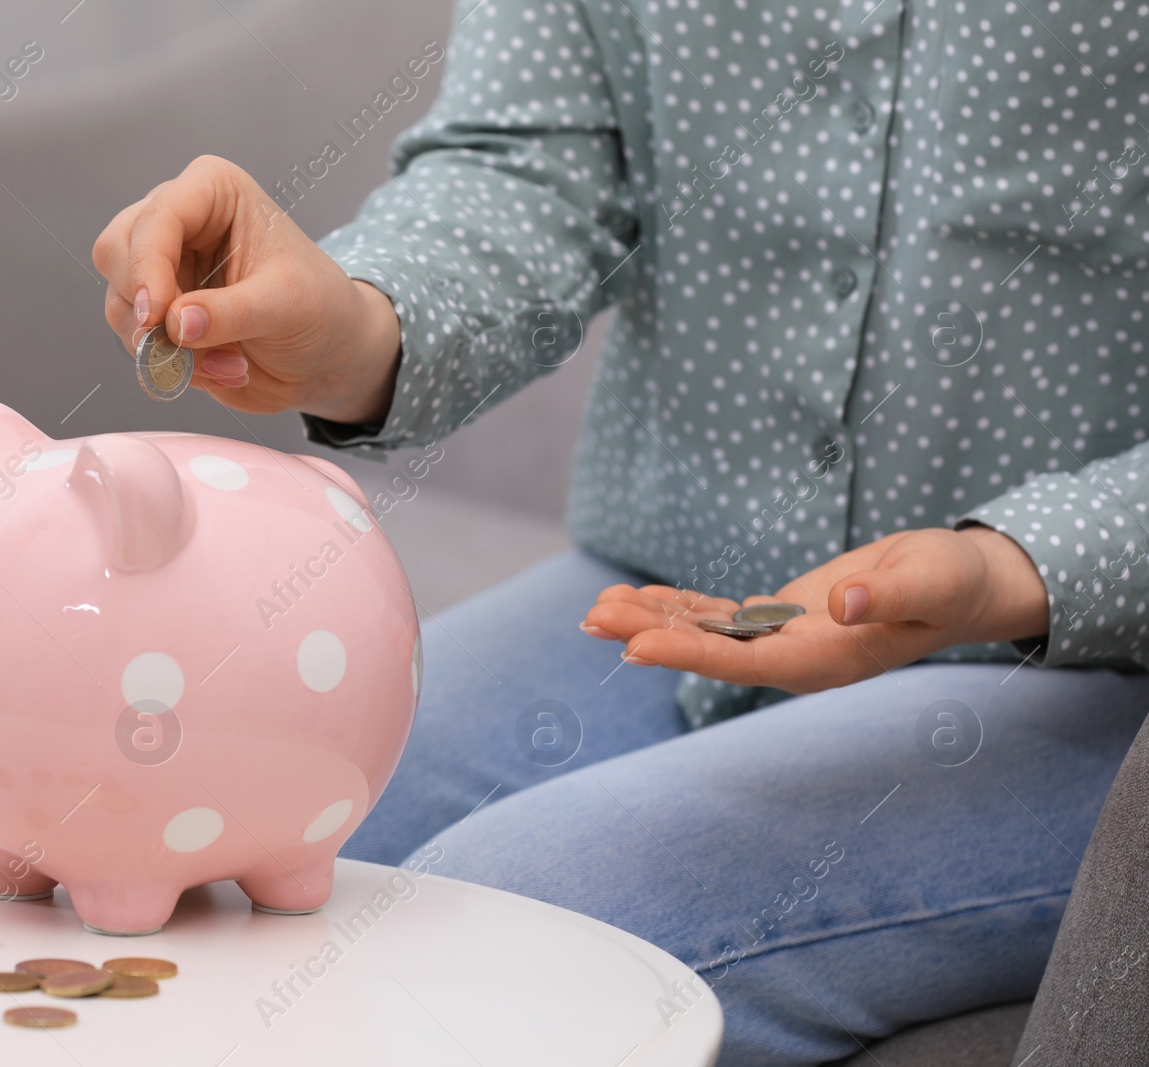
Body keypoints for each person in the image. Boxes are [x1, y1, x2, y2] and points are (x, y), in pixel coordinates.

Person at [92, 1, 1149, 1062]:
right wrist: (360, 322)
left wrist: (1013, 564)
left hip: (1090, 661)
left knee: (516, 924)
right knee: (206, 792)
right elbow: (527, 169)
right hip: (664, 579)